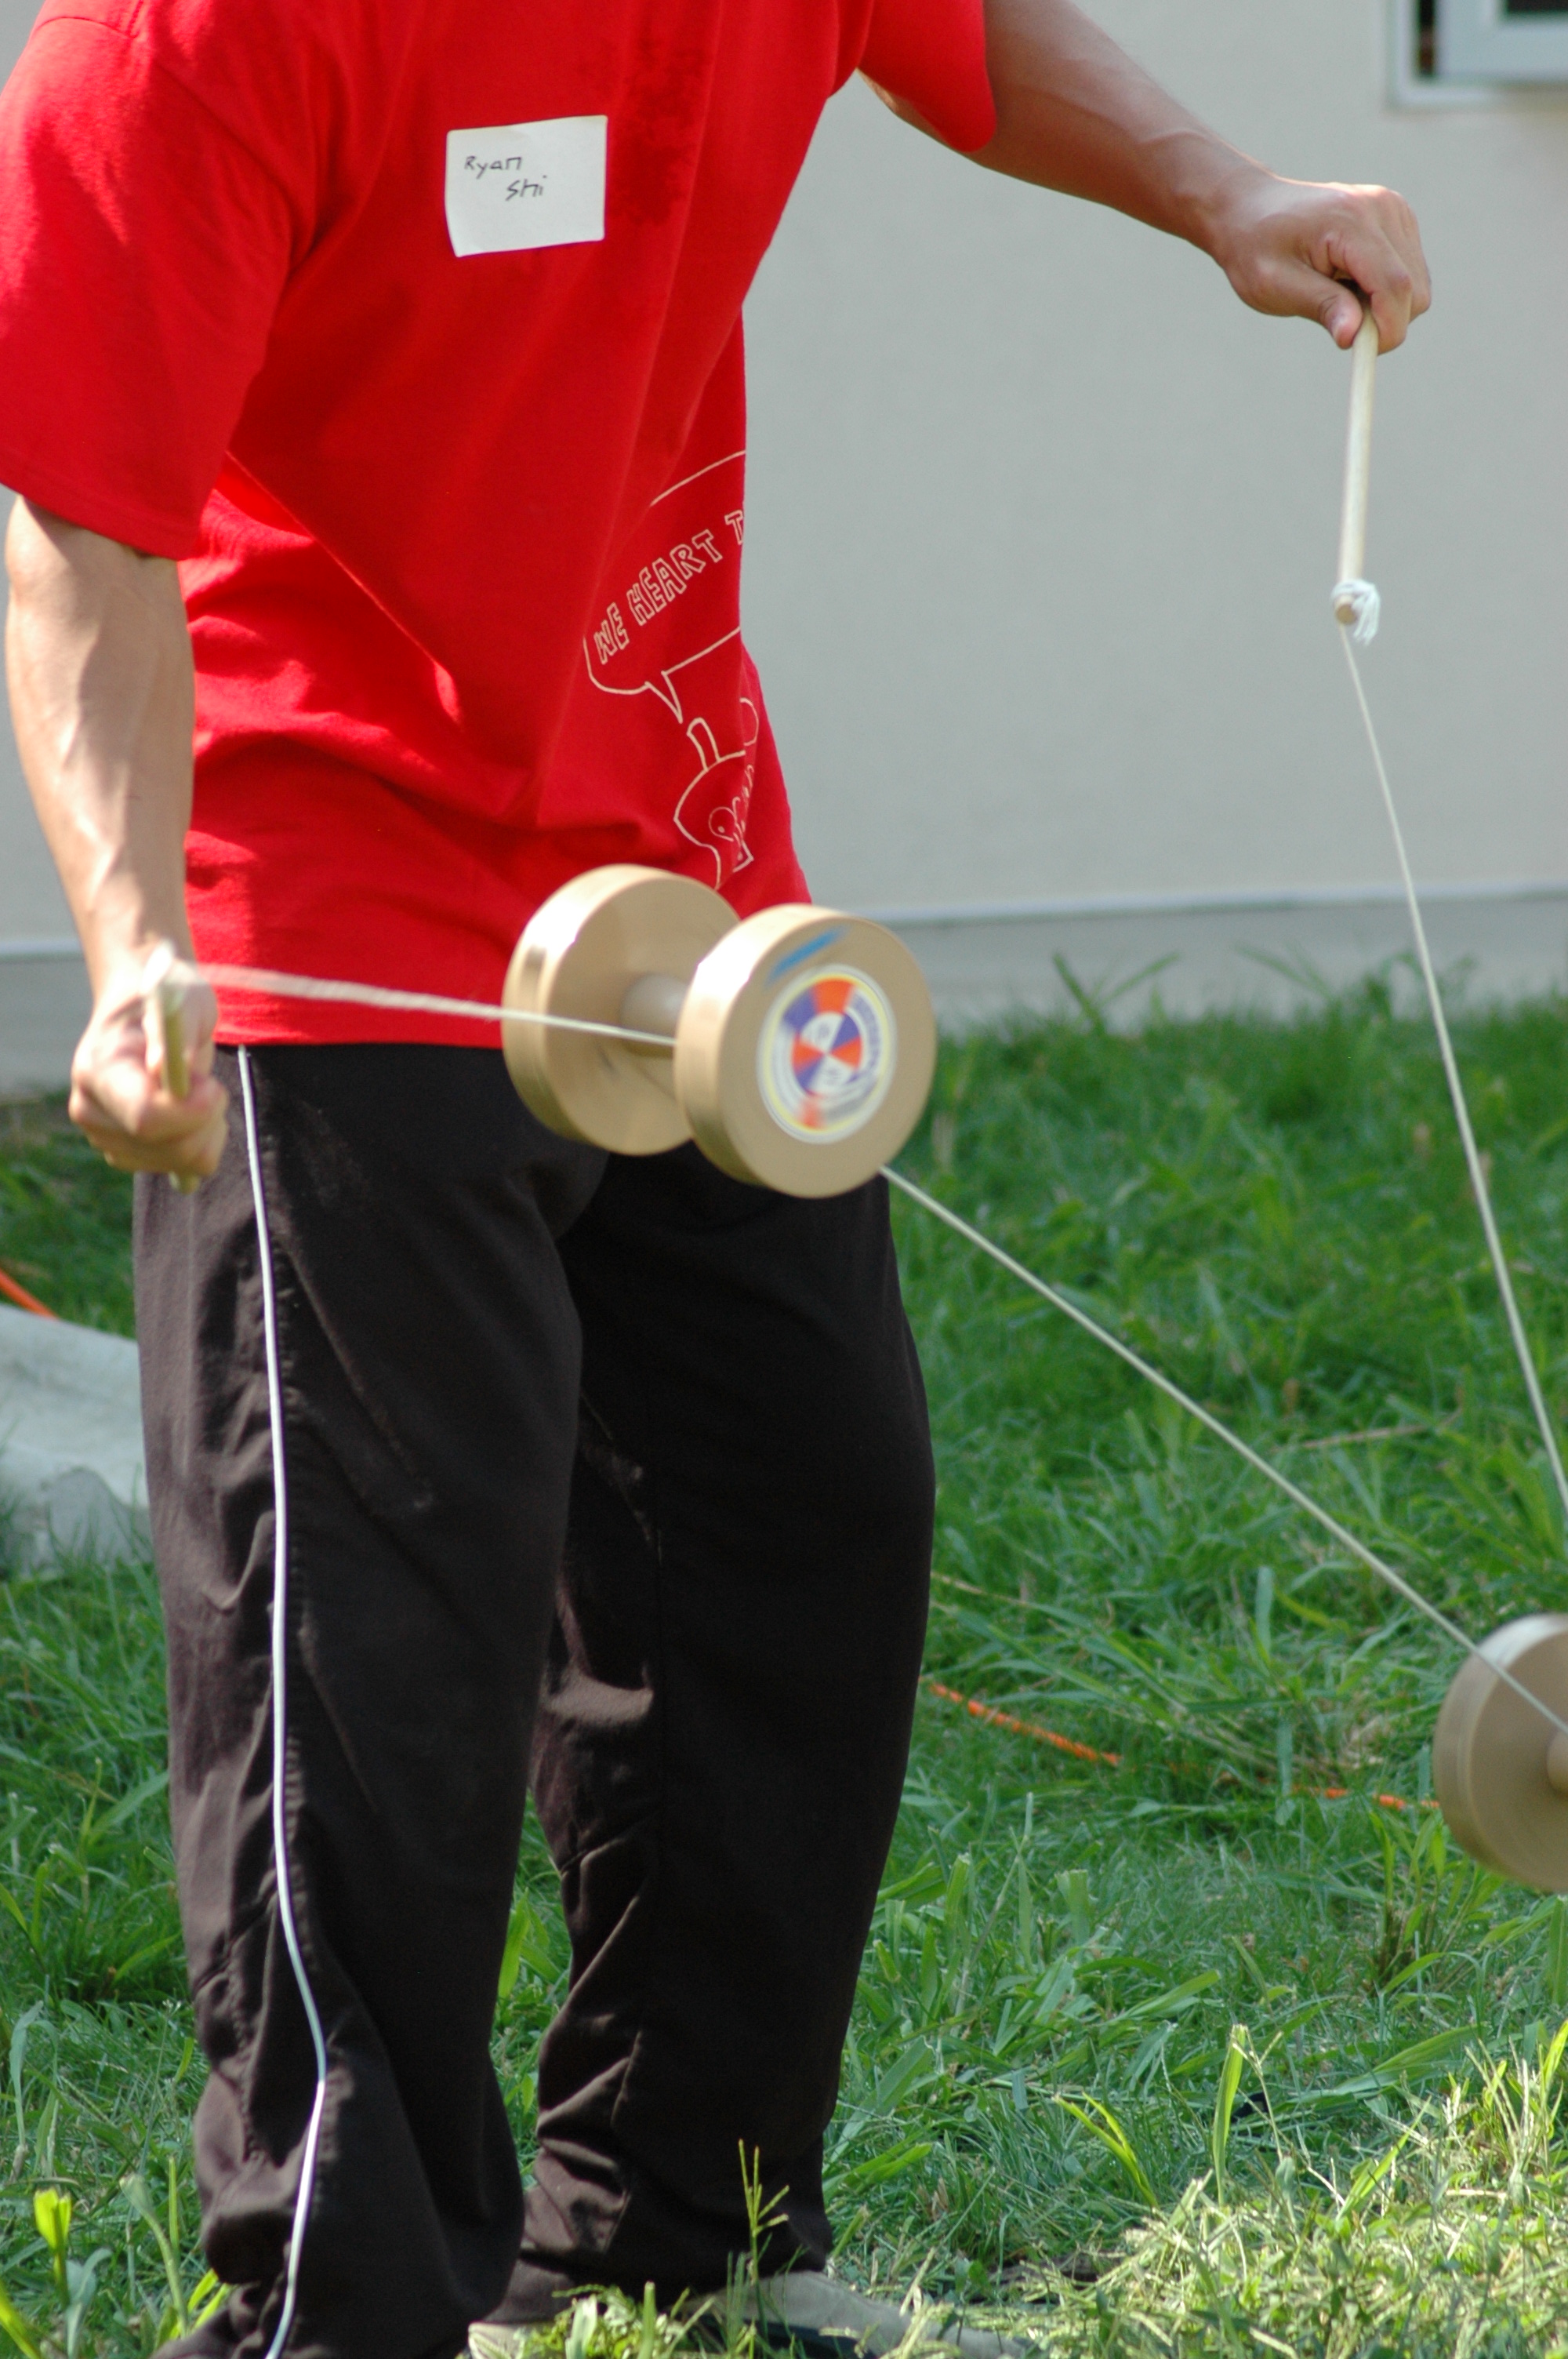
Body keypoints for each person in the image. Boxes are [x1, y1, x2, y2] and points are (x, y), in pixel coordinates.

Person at [0, 0, 1429, 2350]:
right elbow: (85, 523)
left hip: (682, 903)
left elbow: (946, 28)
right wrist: (133, 932)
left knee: (797, 1519)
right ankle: (338, 2307)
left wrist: (1224, 191)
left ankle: (668, 2236)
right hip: (336, 925)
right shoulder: (197, 36)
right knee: (376, 1650)